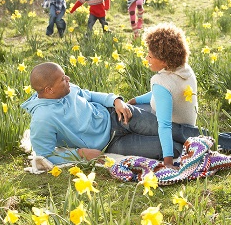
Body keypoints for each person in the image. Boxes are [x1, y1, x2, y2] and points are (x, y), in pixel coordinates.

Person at [21, 62, 201, 167]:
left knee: (177, 131)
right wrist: (80, 154)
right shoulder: (42, 119)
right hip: (112, 144)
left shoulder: (68, 89)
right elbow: (43, 156)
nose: (68, 79)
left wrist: (116, 101)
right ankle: (201, 148)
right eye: (63, 79)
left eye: (65, 75)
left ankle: (220, 140)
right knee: (173, 148)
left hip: (116, 116)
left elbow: (90, 95)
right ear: (49, 89)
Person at [127, 22, 198, 169]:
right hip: (189, 126)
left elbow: (164, 125)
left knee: (129, 123)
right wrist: (137, 100)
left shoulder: (161, 82)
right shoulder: (185, 70)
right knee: (136, 108)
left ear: (164, 61)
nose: (147, 58)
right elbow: (167, 93)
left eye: (151, 56)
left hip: (174, 128)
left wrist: (168, 162)